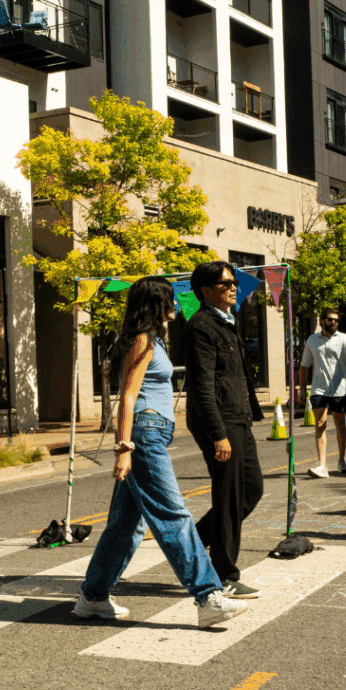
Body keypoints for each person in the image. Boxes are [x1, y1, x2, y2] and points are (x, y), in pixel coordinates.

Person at [74, 277, 249, 628]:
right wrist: (124, 449)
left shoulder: (154, 338)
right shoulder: (141, 338)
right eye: (171, 298)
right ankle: (208, 596)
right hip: (143, 435)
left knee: (125, 526)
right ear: (156, 302)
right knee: (173, 514)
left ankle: (93, 597)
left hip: (151, 433)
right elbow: (127, 395)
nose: (177, 303)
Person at [183, 261, 265, 599]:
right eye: (225, 283)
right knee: (228, 496)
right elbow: (202, 385)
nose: (233, 287)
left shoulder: (226, 321)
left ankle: (190, 542)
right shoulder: (201, 325)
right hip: (219, 420)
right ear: (205, 291)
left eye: (233, 282)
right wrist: (218, 434)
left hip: (238, 417)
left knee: (252, 489)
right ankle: (225, 575)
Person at [298, 308, 346, 477]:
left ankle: (341, 460)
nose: (333, 322)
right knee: (320, 424)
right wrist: (301, 389)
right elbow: (304, 366)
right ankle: (322, 465)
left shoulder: (343, 339)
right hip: (319, 388)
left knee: (339, 424)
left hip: (339, 388)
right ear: (322, 321)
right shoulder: (312, 340)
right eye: (330, 319)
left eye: (336, 320)